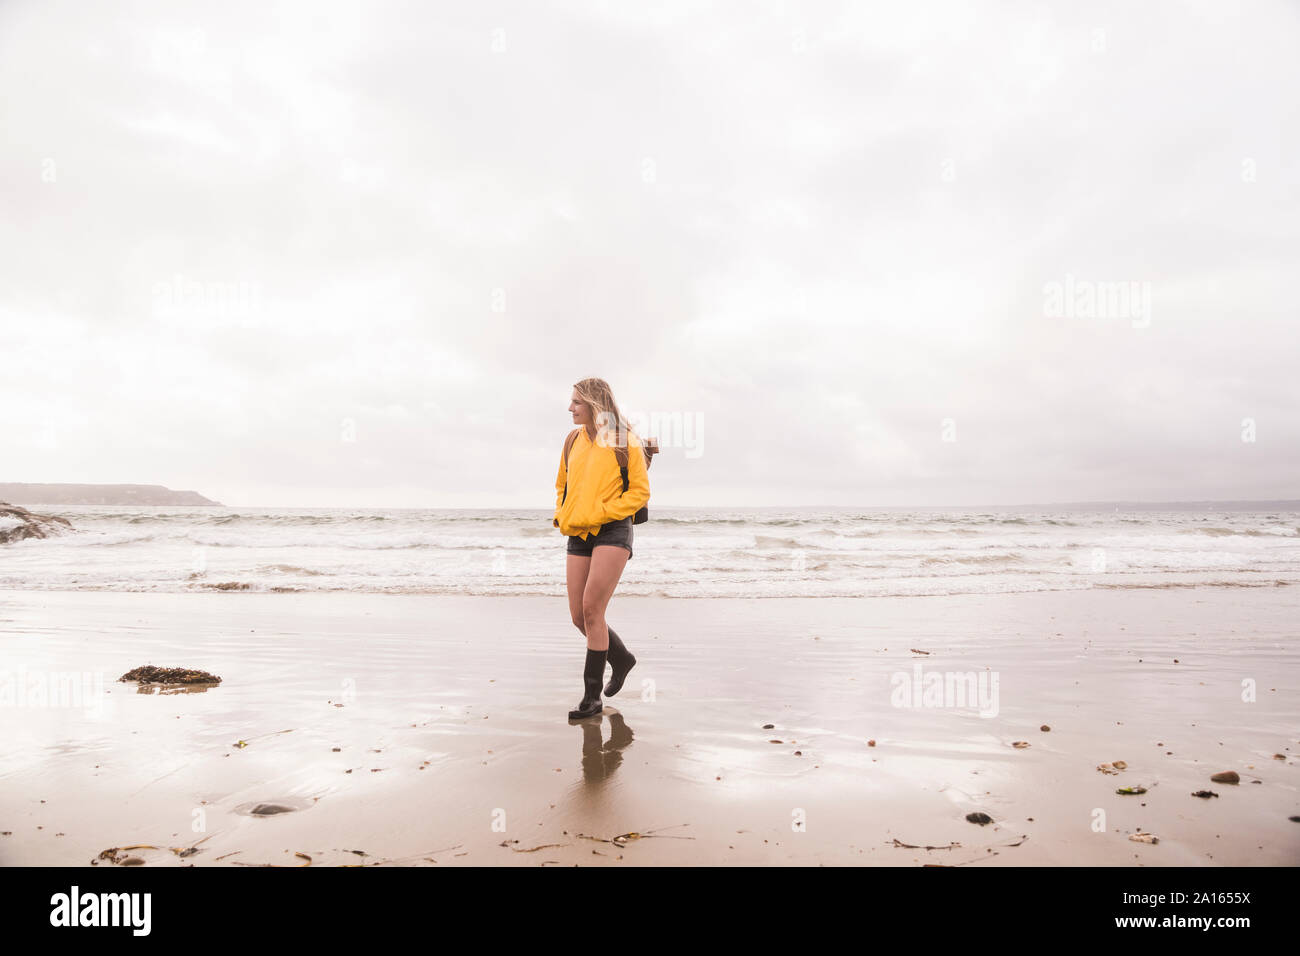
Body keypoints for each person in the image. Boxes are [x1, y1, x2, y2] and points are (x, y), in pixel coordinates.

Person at [553, 377, 650, 720]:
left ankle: (591, 698)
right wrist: (562, 516)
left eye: (576, 402)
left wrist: (602, 513)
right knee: (579, 617)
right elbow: (562, 485)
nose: (570, 408)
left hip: (612, 530)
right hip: (578, 532)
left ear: (594, 404)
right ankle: (621, 658)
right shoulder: (571, 441)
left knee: (593, 610)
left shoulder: (625, 441)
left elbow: (639, 492)